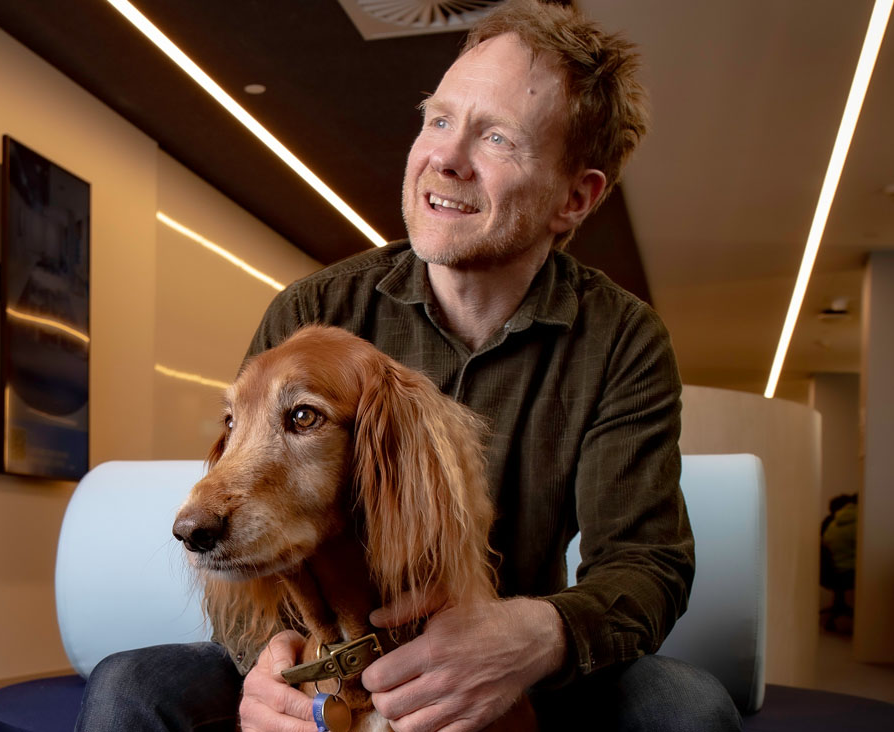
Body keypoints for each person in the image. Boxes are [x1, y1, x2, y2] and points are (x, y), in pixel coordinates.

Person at [77, 1, 741, 730]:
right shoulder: (314, 308)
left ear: (574, 198)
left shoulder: (622, 339)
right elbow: (243, 517)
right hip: (327, 647)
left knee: (688, 708)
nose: (445, 159)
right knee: (127, 688)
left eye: (498, 137)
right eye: (439, 119)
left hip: (515, 665)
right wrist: (268, 661)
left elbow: (645, 566)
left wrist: (533, 636)